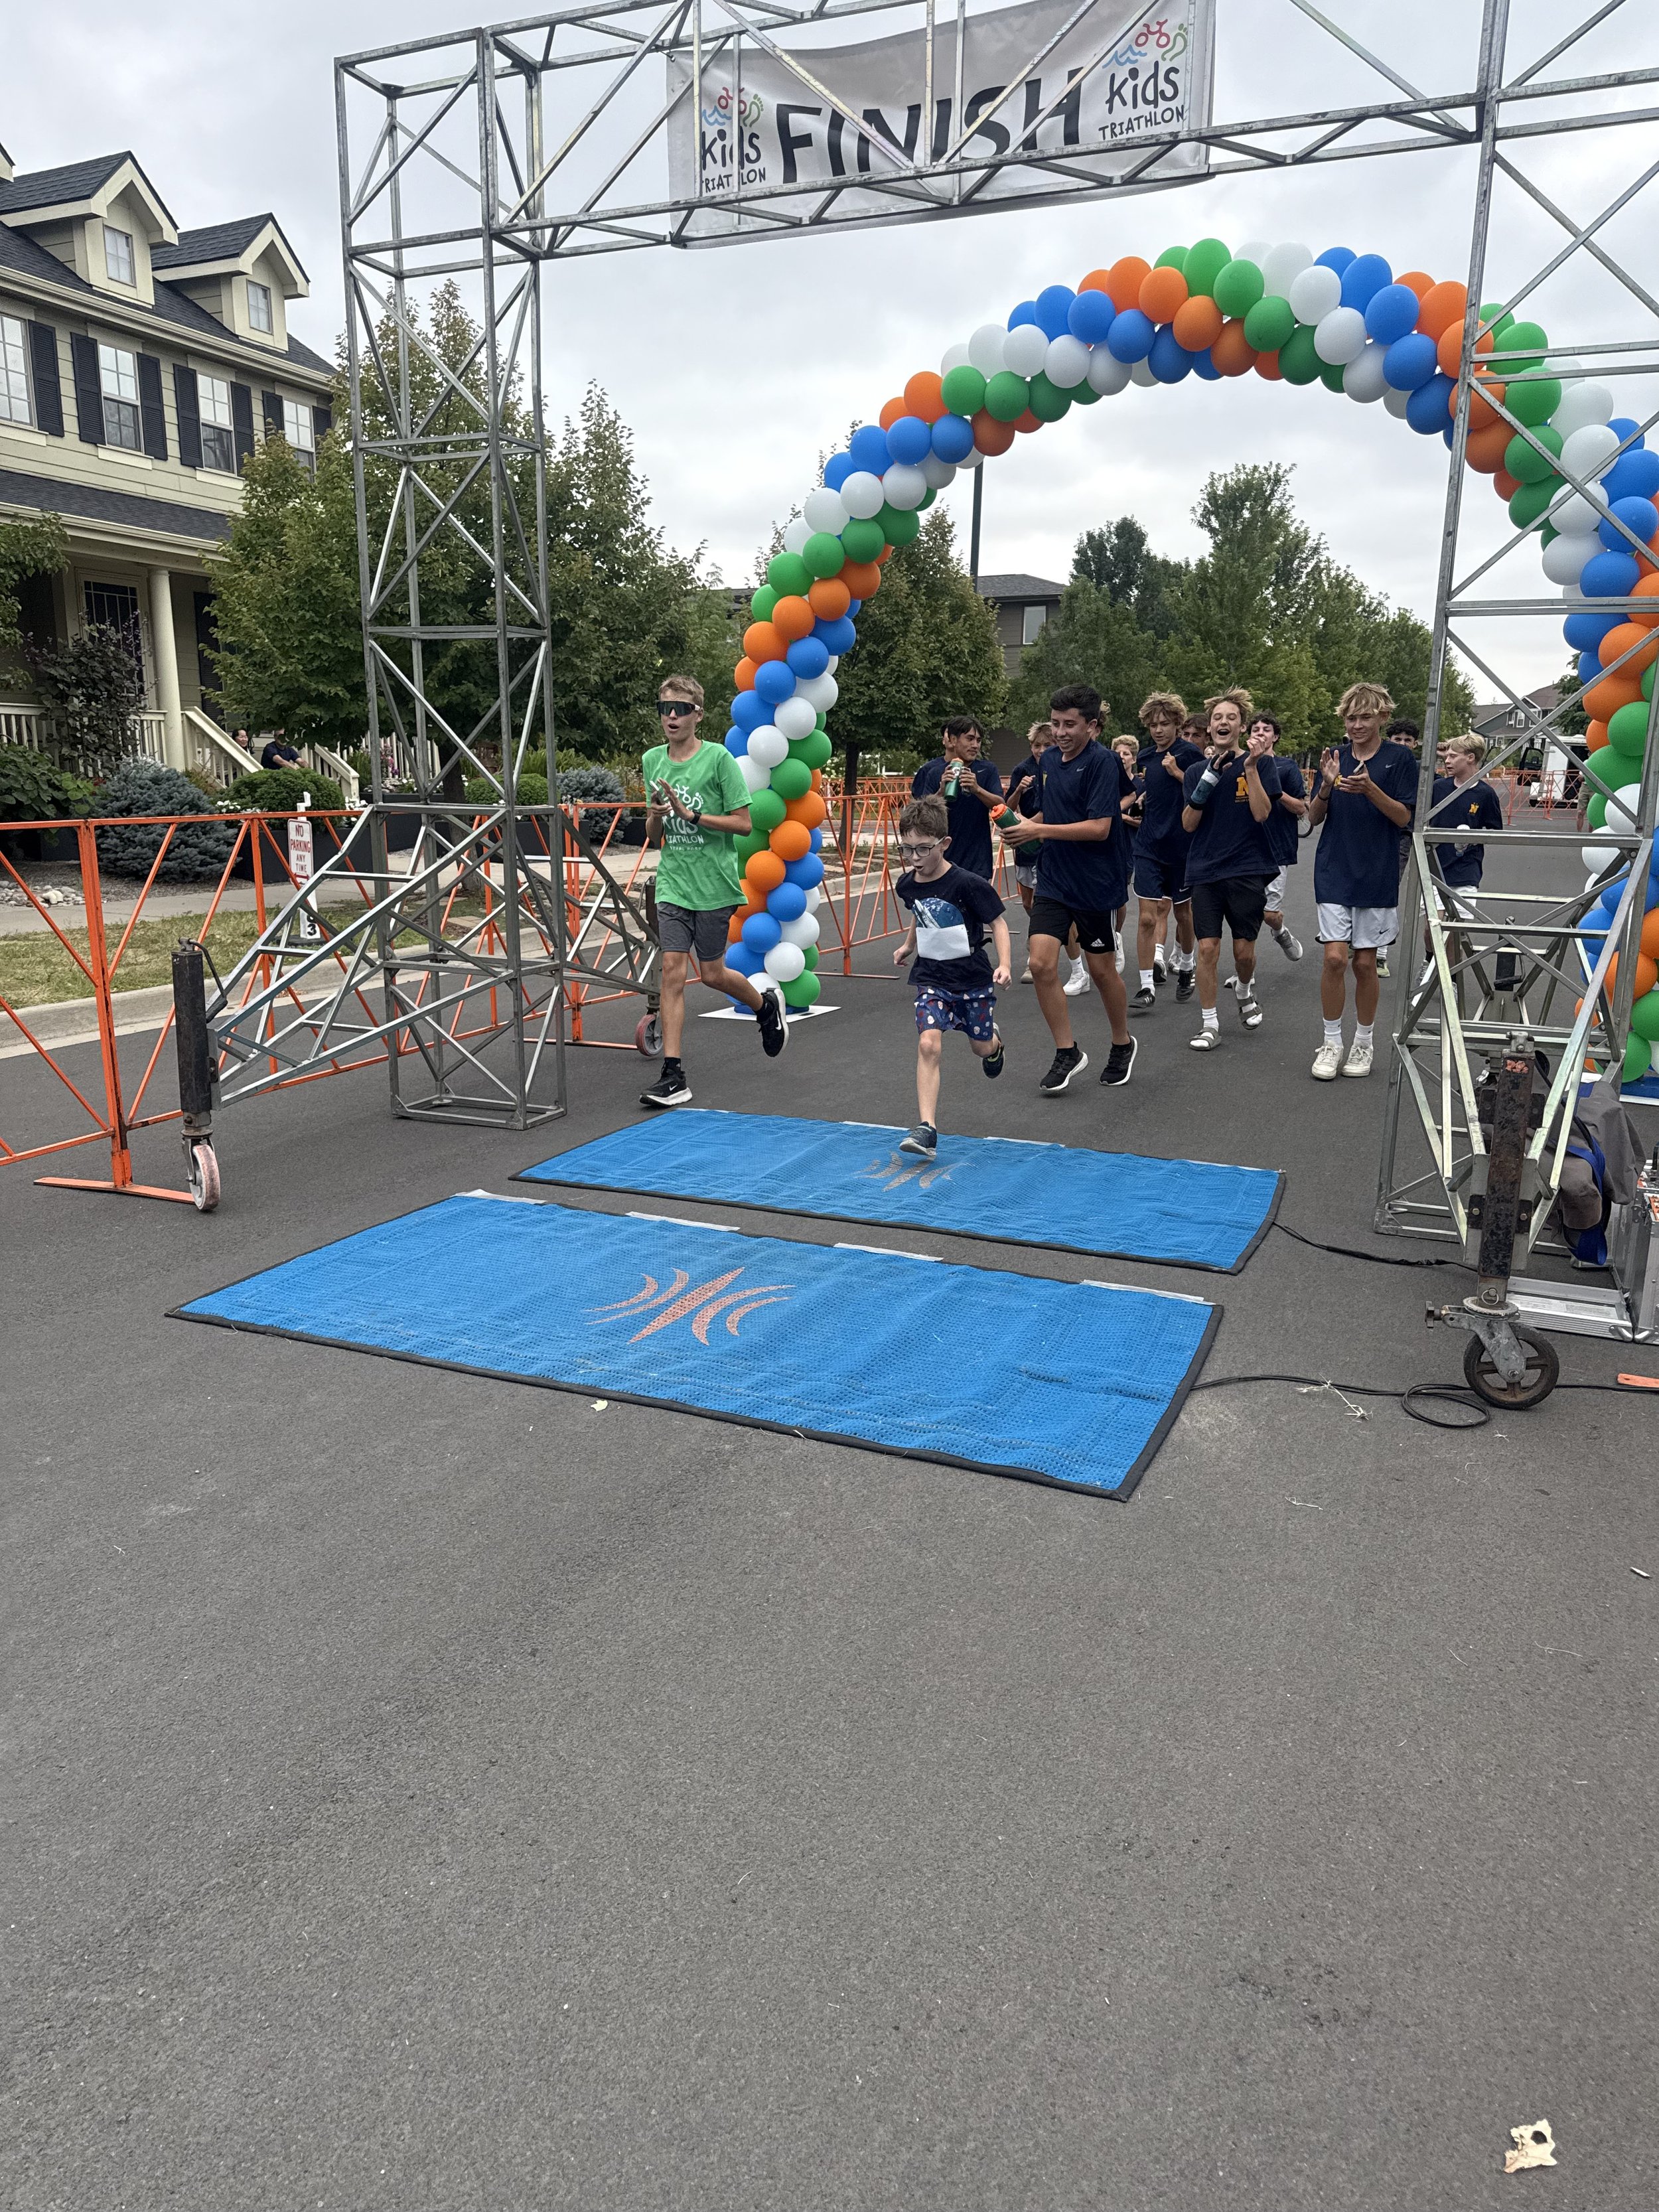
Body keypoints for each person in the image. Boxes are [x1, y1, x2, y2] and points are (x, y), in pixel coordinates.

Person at [638, 674, 787, 1108]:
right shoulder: (652, 760)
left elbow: (744, 823)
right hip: (674, 880)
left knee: (711, 975)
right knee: (671, 970)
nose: (671, 716)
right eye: (664, 707)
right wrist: (655, 814)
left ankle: (764, 1005)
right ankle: (673, 1074)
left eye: (681, 708)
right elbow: (654, 833)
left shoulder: (719, 759)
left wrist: (692, 814)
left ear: (697, 714)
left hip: (714, 883)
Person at [1018, 683, 1137, 1092]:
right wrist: (1024, 826)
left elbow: (1101, 828)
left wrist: (1040, 828)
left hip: (1096, 884)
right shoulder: (1049, 759)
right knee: (1040, 964)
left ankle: (1122, 1042)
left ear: (1093, 727)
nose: (1061, 732)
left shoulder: (1103, 764)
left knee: (1102, 971)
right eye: (1055, 724)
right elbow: (1054, 809)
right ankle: (1066, 1051)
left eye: (1071, 725)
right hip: (1054, 878)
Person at [1307, 681, 1419, 1080]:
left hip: (1377, 870)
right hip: (1334, 868)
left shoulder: (1399, 760)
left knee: (1365, 963)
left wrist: (1370, 789)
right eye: (1351, 717)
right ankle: (1332, 1041)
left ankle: (1364, 1042)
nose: (1357, 724)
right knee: (1335, 958)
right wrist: (1325, 785)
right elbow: (1314, 817)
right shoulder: (1334, 757)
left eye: (1365, 717)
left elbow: (1406, 819)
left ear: (1382, 718)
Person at [891, 795, 1011, 1157]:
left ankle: (995, 1045)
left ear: (944, 844)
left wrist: (1004, 963)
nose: (914, 859)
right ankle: (926, 1129)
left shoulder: (969, 884)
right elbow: (921, 912)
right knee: (929, 1043)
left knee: (980, 1046)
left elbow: (999, 923)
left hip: (972, 977)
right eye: (907, 849)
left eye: (923, 850)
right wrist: (908, 945)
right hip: (932, 976)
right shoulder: (908, 884)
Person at [1181, 690, 1281, 1050]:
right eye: (1218, 718)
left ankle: (1243, 988)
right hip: (1205, 870)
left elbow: (1261, 813)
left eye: (1232, 718)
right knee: (1207, 949)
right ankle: (1209, 1024)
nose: (1224, 723)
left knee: (1243, 954)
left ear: (1242, 726)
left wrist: (1250, 769)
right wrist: (1208, 779)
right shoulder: (1195, 771)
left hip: (1247, 869)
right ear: (1209, 728)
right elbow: (1188, 824)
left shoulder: (1261, 765)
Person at [1130, 690, 1202, 1012]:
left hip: (1182, 847)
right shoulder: (1145, 757)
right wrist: (1142, 797)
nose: (1158, 730)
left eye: (1165, 724)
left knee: (1183, 914)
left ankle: (1187, 965)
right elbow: (1146, 788)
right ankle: (1146, 985)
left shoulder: (1189, 754)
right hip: (1148, 845)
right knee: (1147, 918)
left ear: (1177, 724)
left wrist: (1176, 772)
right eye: (1153, 725)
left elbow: (1202, 790)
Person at [1421, 732, 1504, 985]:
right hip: (1436, 866)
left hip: (1466, 869)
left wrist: (1473, 836)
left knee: (1453, 931)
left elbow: (1495, 832)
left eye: (1453, 756)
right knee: (1431, 928)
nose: (1447, 760)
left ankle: (1451, 983)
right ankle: (1429, 960)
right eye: (1446, 756)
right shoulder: (1438, 788)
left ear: (1471, 758)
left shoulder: (1485, 794)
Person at [910, 715, 1004, 883]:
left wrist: (977, 789)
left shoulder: (987, 769)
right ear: (953, 740)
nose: (975, 745)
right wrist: (941, 792)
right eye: (970, 739)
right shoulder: (934, 772)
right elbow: (921, 815)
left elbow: (1001, 805)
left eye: (978, 740)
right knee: (946, 908)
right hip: (943, 859)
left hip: (978, 859)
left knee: (974, 908)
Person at [1253, 713, 1307, 962]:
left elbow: (1301, 808)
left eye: (1266, 730)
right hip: (1244, 849)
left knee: (1269, 914)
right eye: (1256, 729)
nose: (1260, 733)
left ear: (1275, 737)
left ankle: (1280, 931)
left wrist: (1277, 793)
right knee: (1246, 914)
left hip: (1277, 849)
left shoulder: (1287, 767)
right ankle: (1245, 972)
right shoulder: (1242, 765)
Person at [1001, 720, 1051, 984]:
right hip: (1025, 842)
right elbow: (1007, 807)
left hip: (1051, 840)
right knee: (1030, 903)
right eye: (1036, 745)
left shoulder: (1058, 765)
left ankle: (1037, 957)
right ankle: (1042, 942)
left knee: (1047, 903)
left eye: (1046, 745)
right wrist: (1019, 789)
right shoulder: (1023, 768)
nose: (1041, 750)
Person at [1112, 737, 1142, 961]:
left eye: (1126, 754)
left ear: (1134, 758)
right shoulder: (1109, 781)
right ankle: (1108, 936)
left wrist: (1123, 818)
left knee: (1120, 896)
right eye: (1118, 753)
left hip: (1130, 846)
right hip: (1106, 844)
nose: (1122, 757)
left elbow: (1144, 821)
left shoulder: (1141, 786)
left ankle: (1116, 935)